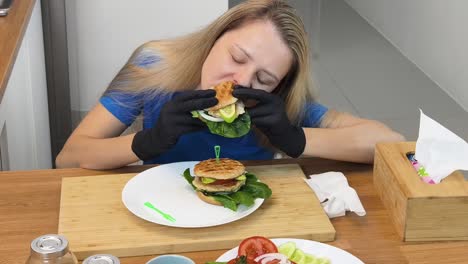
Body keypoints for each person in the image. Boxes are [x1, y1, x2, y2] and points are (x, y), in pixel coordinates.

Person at [56, 0, 404, 170]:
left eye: (264, 79)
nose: (240, 81)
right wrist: (147, 142)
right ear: (215, 37)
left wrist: (294, 137)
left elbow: (390, 143)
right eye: (237, 57)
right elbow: (69, 159)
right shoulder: (154, 64)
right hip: (158, 207)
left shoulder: (280, 102)